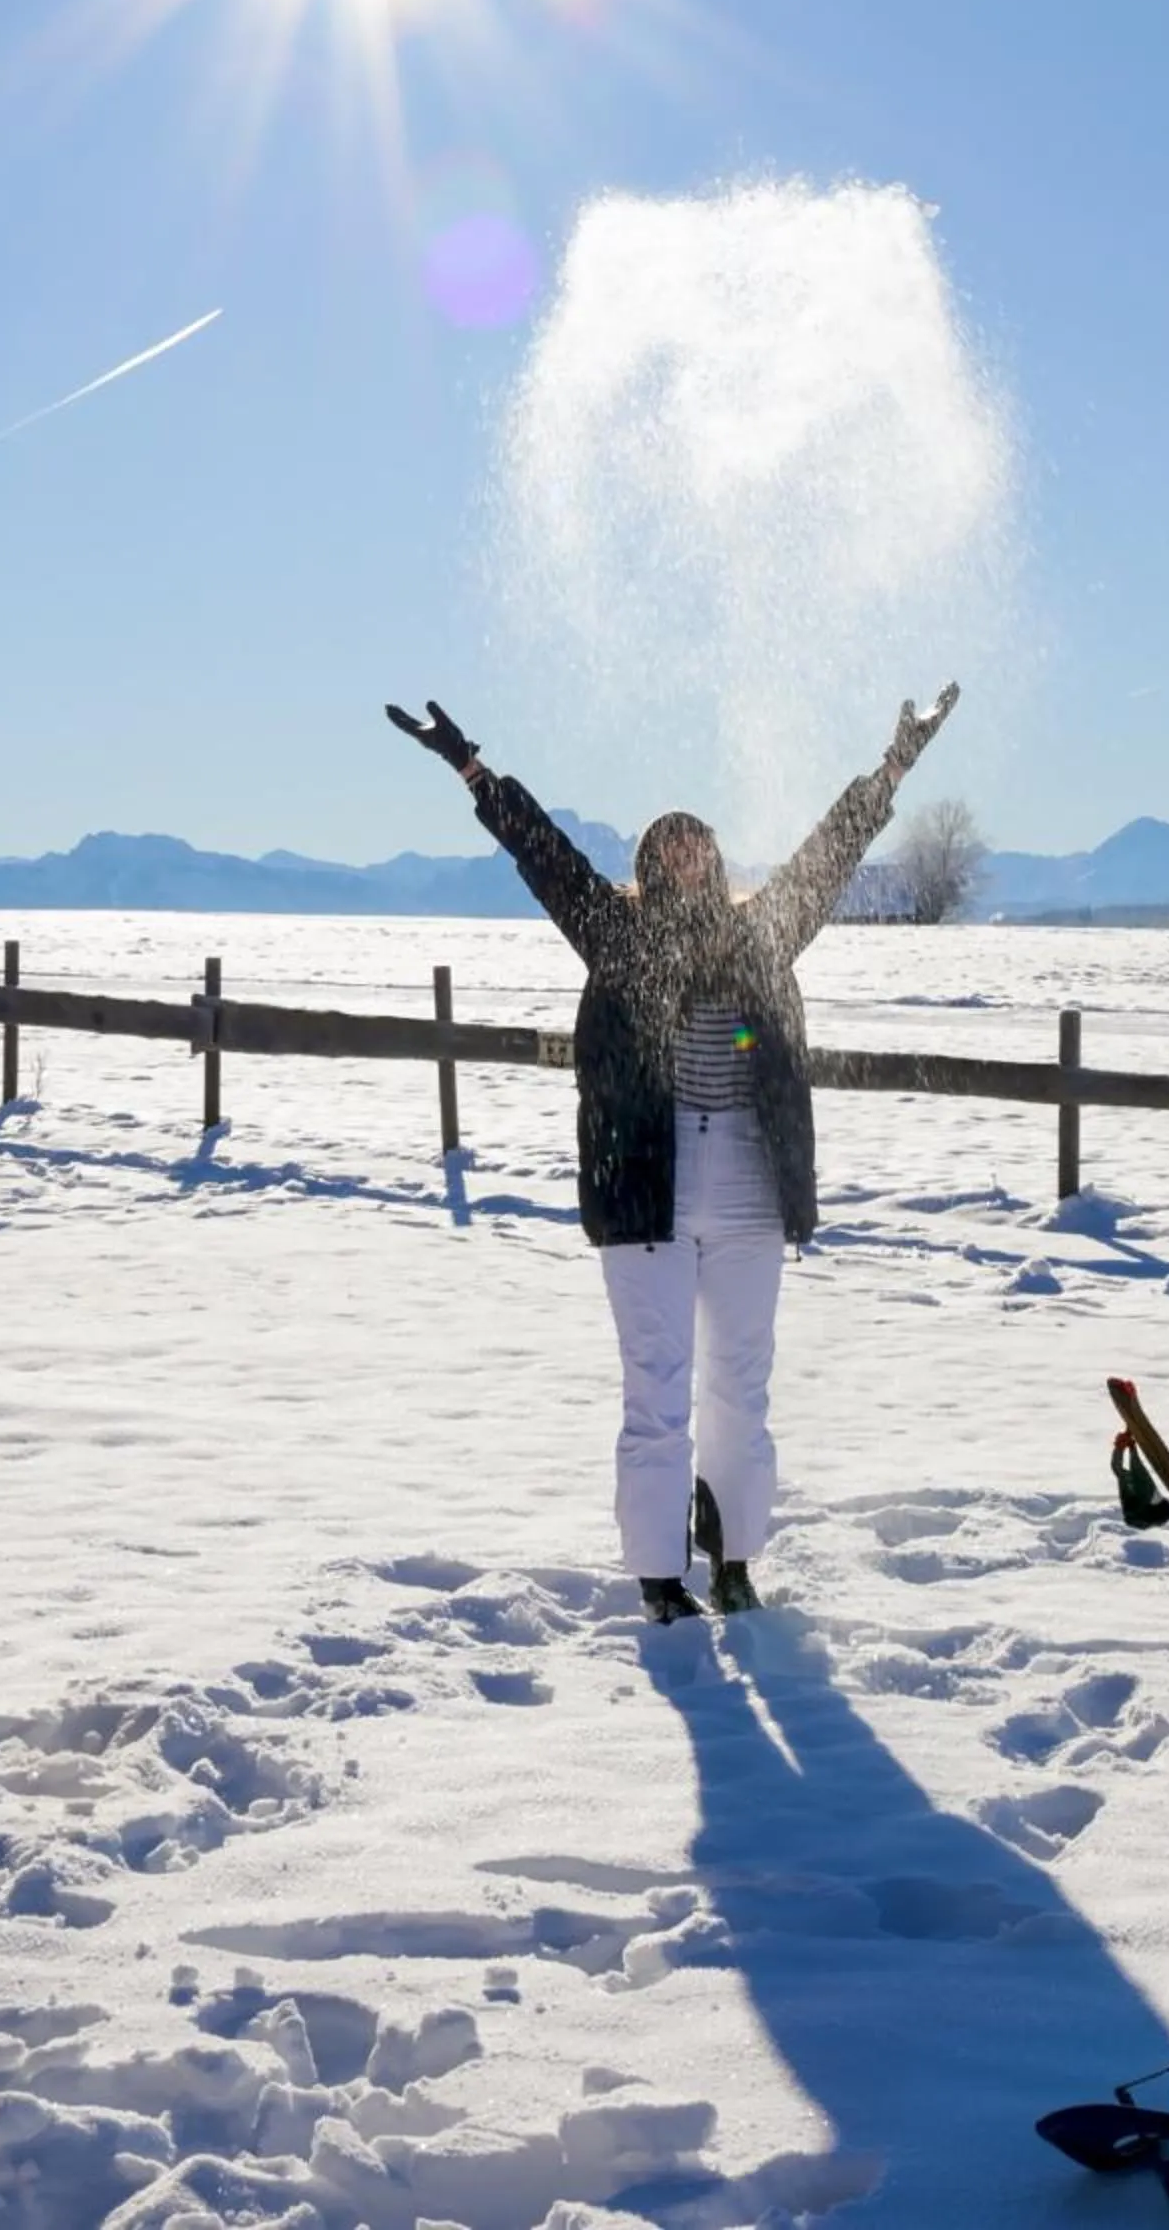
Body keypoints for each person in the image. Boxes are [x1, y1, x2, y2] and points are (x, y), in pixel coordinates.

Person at [387, 682, 958, 1624]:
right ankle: (659, 1577)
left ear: (716, 857)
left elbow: (830, 854)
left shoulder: (759, 935)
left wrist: (894, 766)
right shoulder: (616, 936)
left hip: (749, 1189)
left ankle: (733, 1558)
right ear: (649, 863)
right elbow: (545, 857)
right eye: (669, 843)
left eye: (700, 841)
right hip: (646, 1191)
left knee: (742, 1386)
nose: (688, 853)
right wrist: (473, 770)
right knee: (656, 1391)